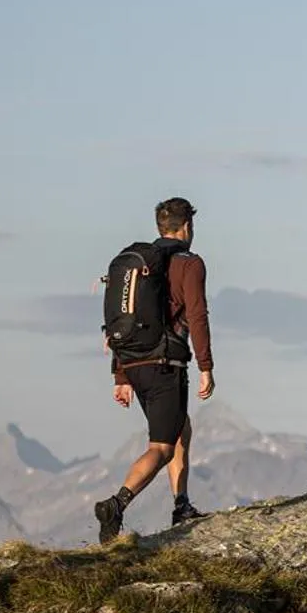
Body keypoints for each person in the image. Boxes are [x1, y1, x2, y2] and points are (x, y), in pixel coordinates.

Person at [95, 196, 215, 542]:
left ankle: (181, 504)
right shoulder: (189, 264)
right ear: (187, 227)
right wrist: (206, 366)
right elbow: (197, 315)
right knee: (161, 447)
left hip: (133, 363)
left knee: (180, 426)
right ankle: (117, 504)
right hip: (165, 365)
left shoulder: (143, 263)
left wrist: (121, 375)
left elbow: (123, 318)